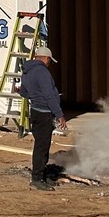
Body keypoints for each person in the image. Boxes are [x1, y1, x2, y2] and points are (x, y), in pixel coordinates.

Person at [18, 45, 67, 191]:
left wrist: (35, 97)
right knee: (42, 147)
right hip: (44, 114)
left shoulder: (27, 70)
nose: (49, 63)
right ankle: (37, 178)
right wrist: (59, 115)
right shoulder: (42, 72)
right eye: (49, 60)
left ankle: (41, 175)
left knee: (41, 144)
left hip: (36, 112)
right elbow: (49, 95)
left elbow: (23, 92)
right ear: (45, 58)